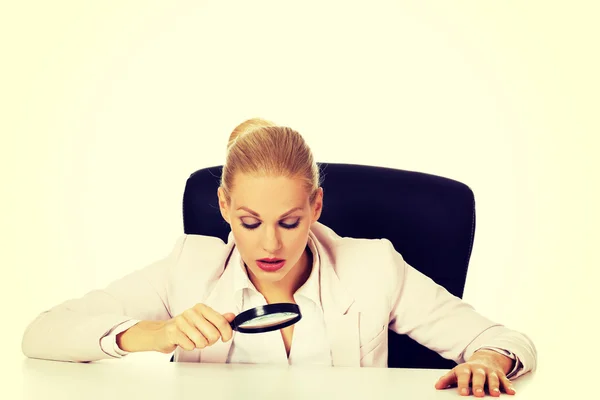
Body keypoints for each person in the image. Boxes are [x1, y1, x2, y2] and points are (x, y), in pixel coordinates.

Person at [22, 118, 537, 397]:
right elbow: (41, 333)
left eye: (290, 222)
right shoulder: (188, 266)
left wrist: (489, 359)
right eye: (250, 223)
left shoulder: (372, 267)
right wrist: (154, 335)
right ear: (223, 206)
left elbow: (502, 340)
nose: (271, 246)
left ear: (315, 206)